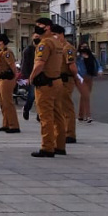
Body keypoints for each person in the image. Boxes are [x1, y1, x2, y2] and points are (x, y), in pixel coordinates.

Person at [27, 17, 65, 158]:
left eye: (40, 25)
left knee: (46, 116)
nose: (37, 27)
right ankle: (60, 145)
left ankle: (47, 147)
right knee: (58, 114)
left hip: (46, 83)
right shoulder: (57, 42)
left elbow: (40, 63)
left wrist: (31, 76)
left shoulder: (45, 43)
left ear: (48, 27)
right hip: (57, 81)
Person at [52, 25, 81, 146]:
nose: (54, 37)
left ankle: (70, 134)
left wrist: (75, 78)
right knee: (59, 107)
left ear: (61, 34)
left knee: (66, 106)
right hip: (58, 80)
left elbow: (72, 66)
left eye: (55, 35)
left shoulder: (67, 48)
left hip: (66, 79)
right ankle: (62, 131)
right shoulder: (57, 47)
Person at [0, 33, 20, 133]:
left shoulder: (7, 52)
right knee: (2, 103)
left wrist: (15, 78)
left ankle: (14, 125)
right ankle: (6, 124)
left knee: (8, 103)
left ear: (1, 41)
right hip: (0, 79)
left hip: (7, 80)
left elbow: (12, 66)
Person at [76, 43, 102, 122]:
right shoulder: (77, 57)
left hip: (89, 77)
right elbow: (74, 66)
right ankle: (88, 116)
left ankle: (80, 115)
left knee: (84, 96)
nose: (84, 48)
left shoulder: (92, 56)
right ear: (80, 47)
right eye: (82, 46)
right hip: (80, 78)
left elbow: (98, 65)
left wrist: (100, 71)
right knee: (86, 96)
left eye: (86, 46)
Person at [20, 36, 41, 121]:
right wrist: (27, 77)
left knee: (40, 97)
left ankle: (39, 114)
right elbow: (24, 64)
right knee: (32, 95)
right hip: (31, 75)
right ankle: (26, 108)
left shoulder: (41, 49)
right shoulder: (28, 50)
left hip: (40, 76)